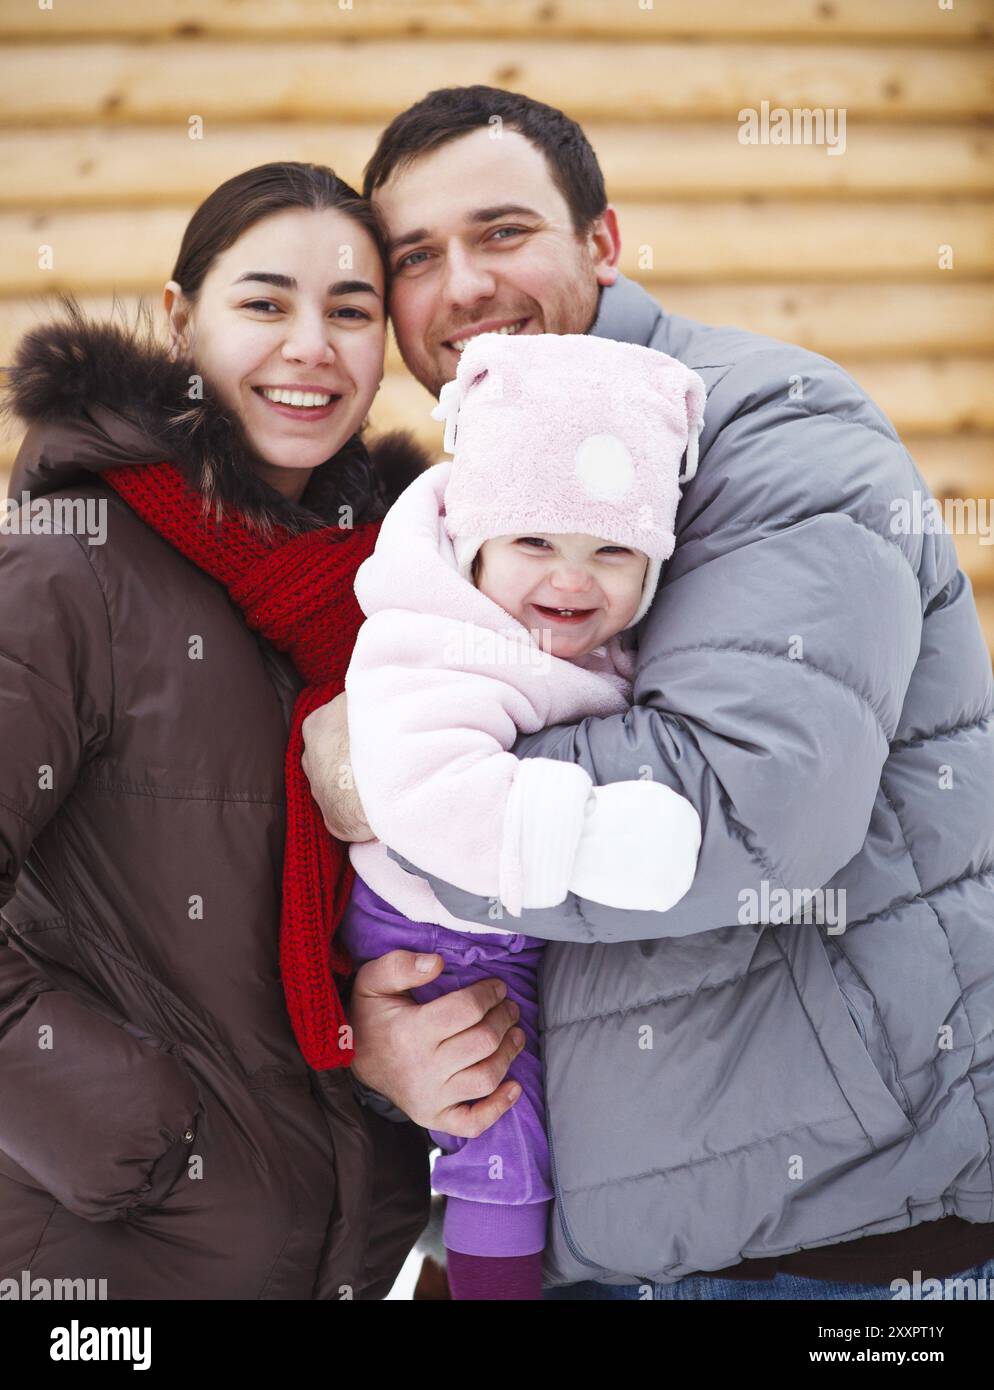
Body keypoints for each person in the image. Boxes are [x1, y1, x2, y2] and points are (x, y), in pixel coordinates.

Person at [303, 87, 994, 1298]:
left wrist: (405, 787)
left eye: (503, 231)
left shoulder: (771, 427)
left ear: (602, 244)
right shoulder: (461, 505)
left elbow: (744, 810)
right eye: (417, 255)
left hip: (836, 1240)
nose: (462, 284)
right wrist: (393, 1017)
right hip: (626, 1239)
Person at [0, 162, 430, 1299]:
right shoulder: (69, 568)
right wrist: (140, 1132)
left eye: (350, 311)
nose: (311, 346)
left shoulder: (380, 597)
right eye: (264, 302)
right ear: (182, 320)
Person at [308, 330, 706, 1299]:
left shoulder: (581, 632)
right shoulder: (438, 636)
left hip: (507, 925)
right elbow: (422, 792)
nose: (570, 581)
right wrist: (581, 833)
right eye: (533, 542)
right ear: (476, 538)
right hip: (436, 932)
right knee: (501, 1132)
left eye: (612, 551)